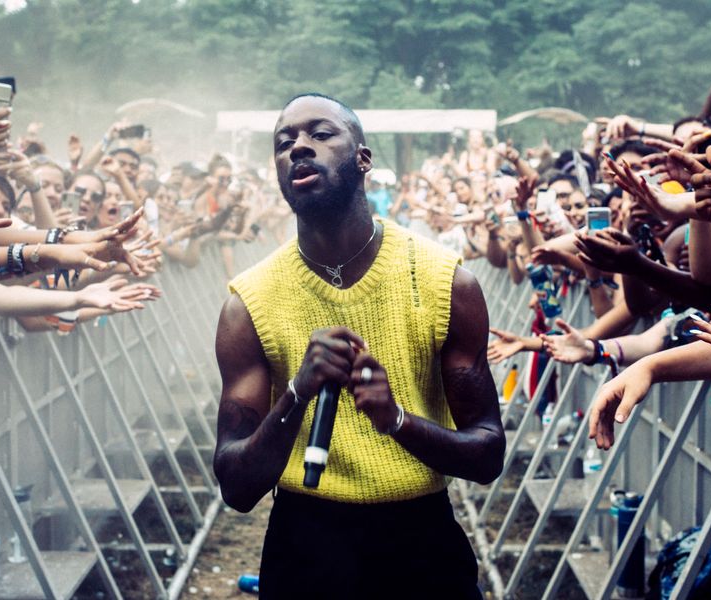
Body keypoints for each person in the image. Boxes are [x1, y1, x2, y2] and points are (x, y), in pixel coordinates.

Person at [212, 93, 504, 599]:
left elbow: (487, 453)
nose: (299, 148)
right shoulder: (249, 302)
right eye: (285, 143)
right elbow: (236, 486)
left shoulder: (443, 281)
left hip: (422, 544)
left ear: (363, 158)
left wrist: (395, 420)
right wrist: (298, 395)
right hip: (305, 546)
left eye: (320, 134)